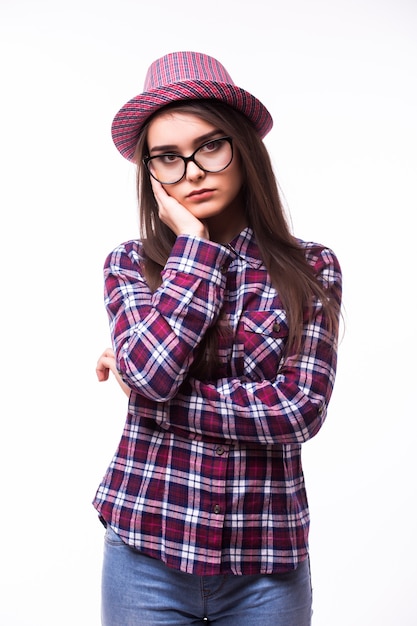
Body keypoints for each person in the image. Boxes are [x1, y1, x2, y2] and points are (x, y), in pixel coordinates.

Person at [94, 51, 342, 626]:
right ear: (151, 174)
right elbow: (152, 373)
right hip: (144, 553)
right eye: (168, 158)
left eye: (209, 146)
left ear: (242, 148)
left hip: (266, 561)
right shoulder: (130, 264)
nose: (193, 172)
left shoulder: (312, 267)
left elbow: (297, 412)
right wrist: (196, 250)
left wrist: (153, 396)